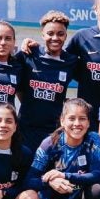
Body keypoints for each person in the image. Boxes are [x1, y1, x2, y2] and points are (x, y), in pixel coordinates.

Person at [18, 10, 81, 151]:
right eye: (50, 33)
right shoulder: (28, 55)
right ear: (42, 34)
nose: (55, 38)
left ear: (66, 36)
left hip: (54, 131)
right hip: (26, 129)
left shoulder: (71, 61)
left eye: (60, 34)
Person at [0, 20, 23, 108]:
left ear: (14, 42)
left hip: (7, 120)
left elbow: (24, 99)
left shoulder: (18, 67)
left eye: (8, 38)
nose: (3, 43)